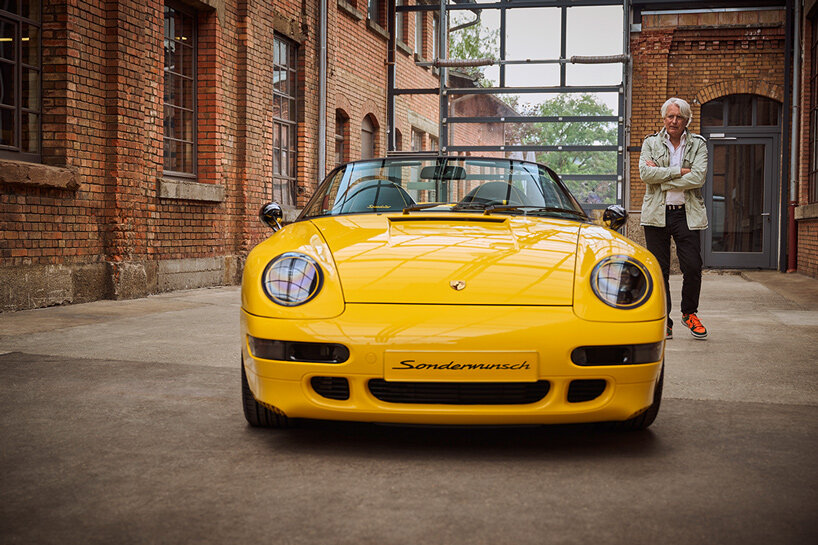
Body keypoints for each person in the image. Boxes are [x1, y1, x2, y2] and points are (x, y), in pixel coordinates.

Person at [639, 97, 708, 340]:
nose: (674, 121)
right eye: (670, 116)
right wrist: (680, 172)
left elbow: (698, 178)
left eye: (679, 117)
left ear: (687, 119)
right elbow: (646, 174)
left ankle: (689, 313)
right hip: (656, 214)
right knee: (660, 271)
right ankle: (663, 320)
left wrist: (662, 177)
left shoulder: (698, 144)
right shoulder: (650, 142)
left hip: (686, 214)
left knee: (692, 266)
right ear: (664, 118)